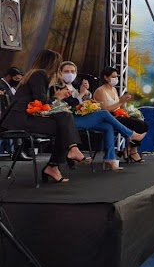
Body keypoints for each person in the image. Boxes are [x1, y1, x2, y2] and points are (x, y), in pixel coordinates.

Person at [0, 50, 91, 183]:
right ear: (52, 63)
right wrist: (57, 97)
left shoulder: (35, 75)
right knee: (64, 122)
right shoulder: (39, 74)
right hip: (21, 120)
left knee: (64, 121)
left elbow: (41, 103)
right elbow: (41, 102)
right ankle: (63, 157)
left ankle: (59, 161)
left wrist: (56, 99)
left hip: (23, 118)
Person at [52, 61, 145, 170]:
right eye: (66, 71)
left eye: (72, 71)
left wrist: (86, 93)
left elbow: (85, 101)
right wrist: (81, 94)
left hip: (82, 116)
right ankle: (130, 134)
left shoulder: (75, 85)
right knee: (104, 113)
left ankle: (110, 158)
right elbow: (68, 104)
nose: (70, 74)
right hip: (69, 120)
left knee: (107, 126)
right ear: (60, 72)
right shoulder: (58, 87)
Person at [94, 67, 149, 163]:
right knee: (139, 125)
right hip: (109, 117)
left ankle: (130, 149)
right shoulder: (100, 91)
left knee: (144, 124)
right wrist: (120, 102)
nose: (116, 79)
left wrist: (124, 102)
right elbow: (104, 109)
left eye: (117, 77)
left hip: (118, 114)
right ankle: (132, 151)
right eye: (113, 77)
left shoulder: (114, 89)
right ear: (106, 77)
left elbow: (119, 106)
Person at [0, 67, 24, 156]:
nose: (18, 81)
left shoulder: (12, 87)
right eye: (16, 79)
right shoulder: (1, 85)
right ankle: (18, 150)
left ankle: (20, 149)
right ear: (9, 77)